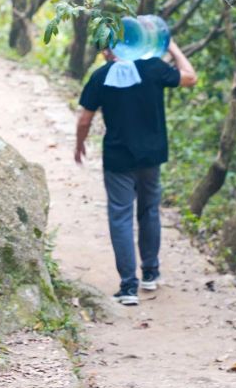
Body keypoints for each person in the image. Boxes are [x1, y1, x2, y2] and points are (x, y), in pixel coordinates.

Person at [75, 39, 197, 305]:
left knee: (120, 217)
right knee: (149, 210)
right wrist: (172, 47)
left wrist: (79, 144)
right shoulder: (153, 67)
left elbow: (85, 118)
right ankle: (150, 272)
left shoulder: (101, 76)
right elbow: (190, 77)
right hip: (151, 156)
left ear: (107, 51)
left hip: (118, 158)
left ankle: (129, 287)